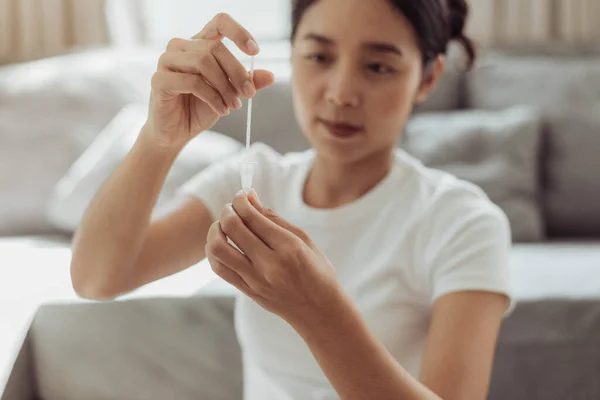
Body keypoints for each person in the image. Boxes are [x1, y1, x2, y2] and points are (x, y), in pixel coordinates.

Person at [70, 0, 514, 399]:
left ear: (428, 77)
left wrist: (320, 313)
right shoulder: (255, 184)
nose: (340, 93)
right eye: (319, 56)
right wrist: (159, 139)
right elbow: (97, 279)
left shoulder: (463, 222)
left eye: (378, 67)